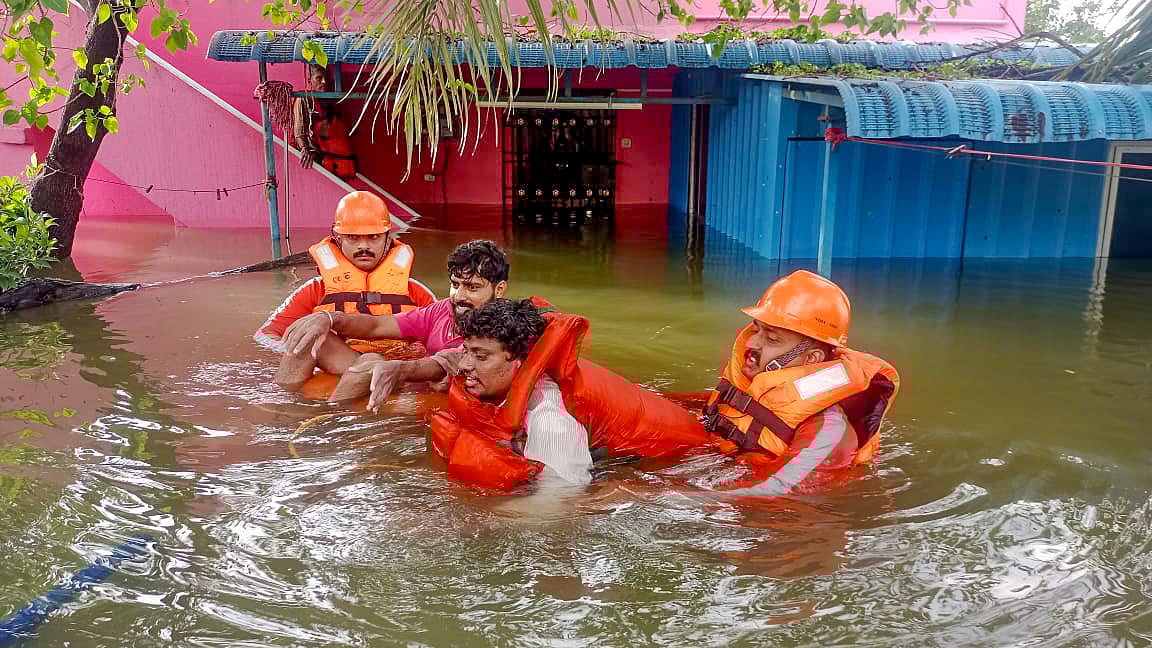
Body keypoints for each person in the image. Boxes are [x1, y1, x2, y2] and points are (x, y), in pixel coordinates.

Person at [428, 298, 710, 490]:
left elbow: (558, 506)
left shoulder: (550, 420)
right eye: (466, 352)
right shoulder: (522, 381)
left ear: (519, 362)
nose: (464, 365)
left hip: (692, 463)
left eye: (480, 356)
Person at [702, 270, 900, 496]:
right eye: (756, 329)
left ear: (811, 358)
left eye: (772, 338)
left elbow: (777, 490)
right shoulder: (756, 389)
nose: (751, 343)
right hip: (725, 463)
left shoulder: (828, 430)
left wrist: (668, 498)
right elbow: (728, 407)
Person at [278, 239, 511, 401]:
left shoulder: (502, 325)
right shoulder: (441, 310)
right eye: (455, 285)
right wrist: (328, 317)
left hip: (434, 395)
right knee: (314, 334)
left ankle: (332, 422)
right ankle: (282, 405)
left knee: (371, 365)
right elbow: (377, 324)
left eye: (472, 288)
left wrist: (399, 369)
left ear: (499, 289)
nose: (459, 296)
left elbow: (448, 362)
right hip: (406, 376)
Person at [254, 191, 435, 391]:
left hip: (397, 367)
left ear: (387, 238)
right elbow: (265, 334)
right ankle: (284, 406)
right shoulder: (316, 289)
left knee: (372, 359)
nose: (364, 246)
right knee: (311, 332)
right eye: (352, 238)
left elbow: (444, 336)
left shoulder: (415, 291)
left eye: (373, 237)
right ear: (338, 239)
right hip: (342, 363)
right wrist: (294, 348)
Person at [293, 63, 356, 179]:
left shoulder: (328, 101)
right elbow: (299, 132)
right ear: (309, 80)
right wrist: (305, 149)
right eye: (319, 78)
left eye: (325, 78)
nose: (324, 82)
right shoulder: (303, 100)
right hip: (313, 162)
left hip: (330, 159)